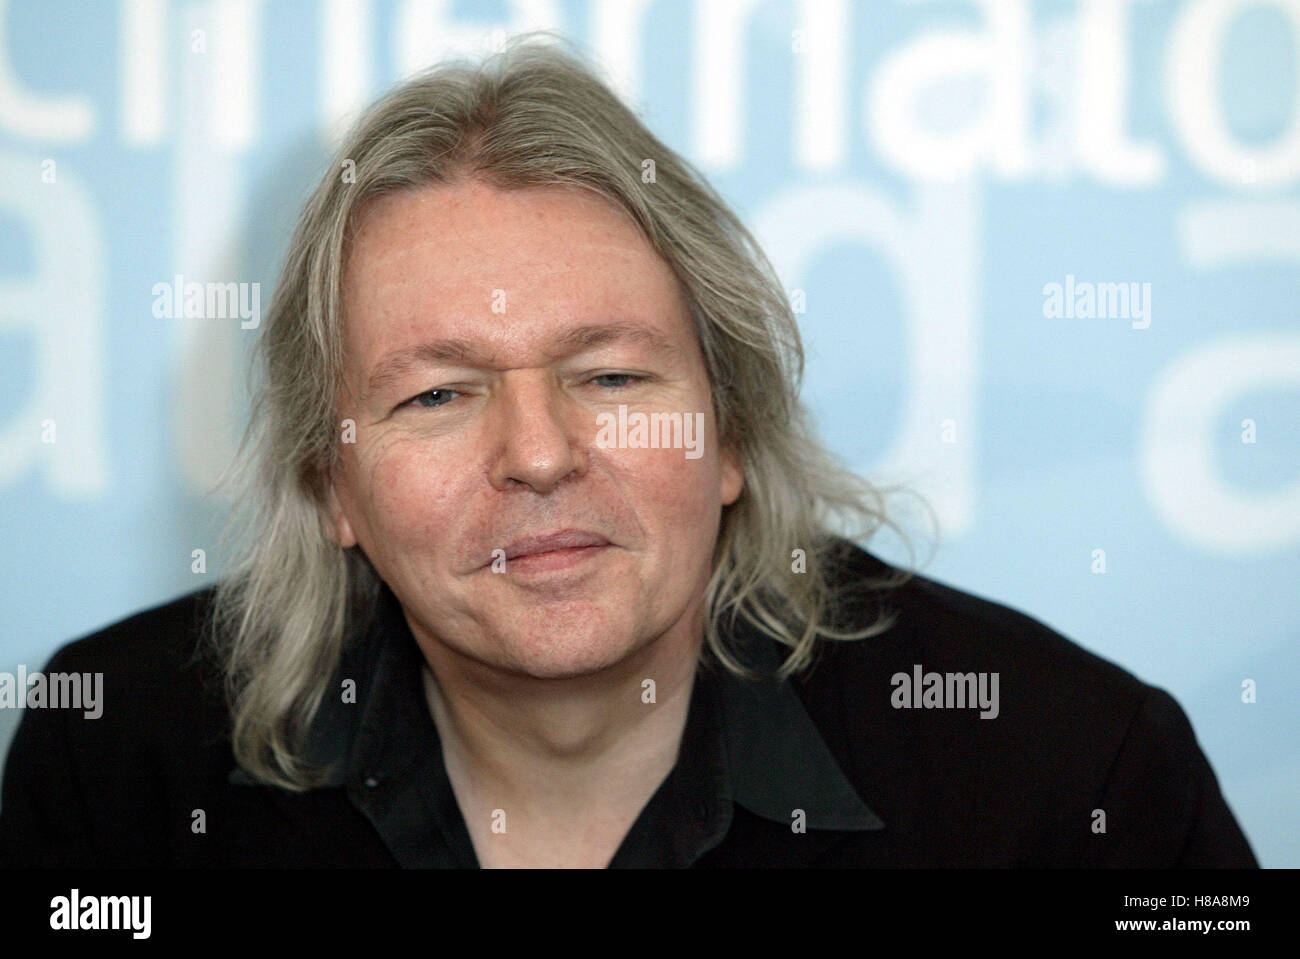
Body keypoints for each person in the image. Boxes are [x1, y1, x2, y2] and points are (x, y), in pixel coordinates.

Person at [0, 36, 1257, 868]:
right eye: (438, 395)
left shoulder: (1067, 778)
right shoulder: (123, 768)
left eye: (609, 376)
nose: (539, 454)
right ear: (333, 483)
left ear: (731, 437)